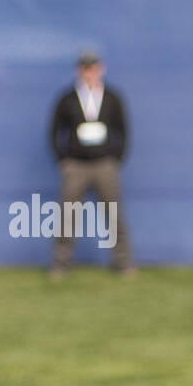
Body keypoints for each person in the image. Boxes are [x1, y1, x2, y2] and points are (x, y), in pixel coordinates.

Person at [48, 50, 134, 279]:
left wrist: (116, 159)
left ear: (101, 69)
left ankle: (123, 264)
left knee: (114, 215)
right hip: (76, 166)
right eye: (85, 68)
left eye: (93, 67)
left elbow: (123, 131)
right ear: (79, 70)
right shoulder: (67, 98)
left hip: (105, 165)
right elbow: (54, 131)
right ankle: (60, 265)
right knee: (67, 216)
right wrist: (62, 160)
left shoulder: (113, 97)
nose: (89, 72)